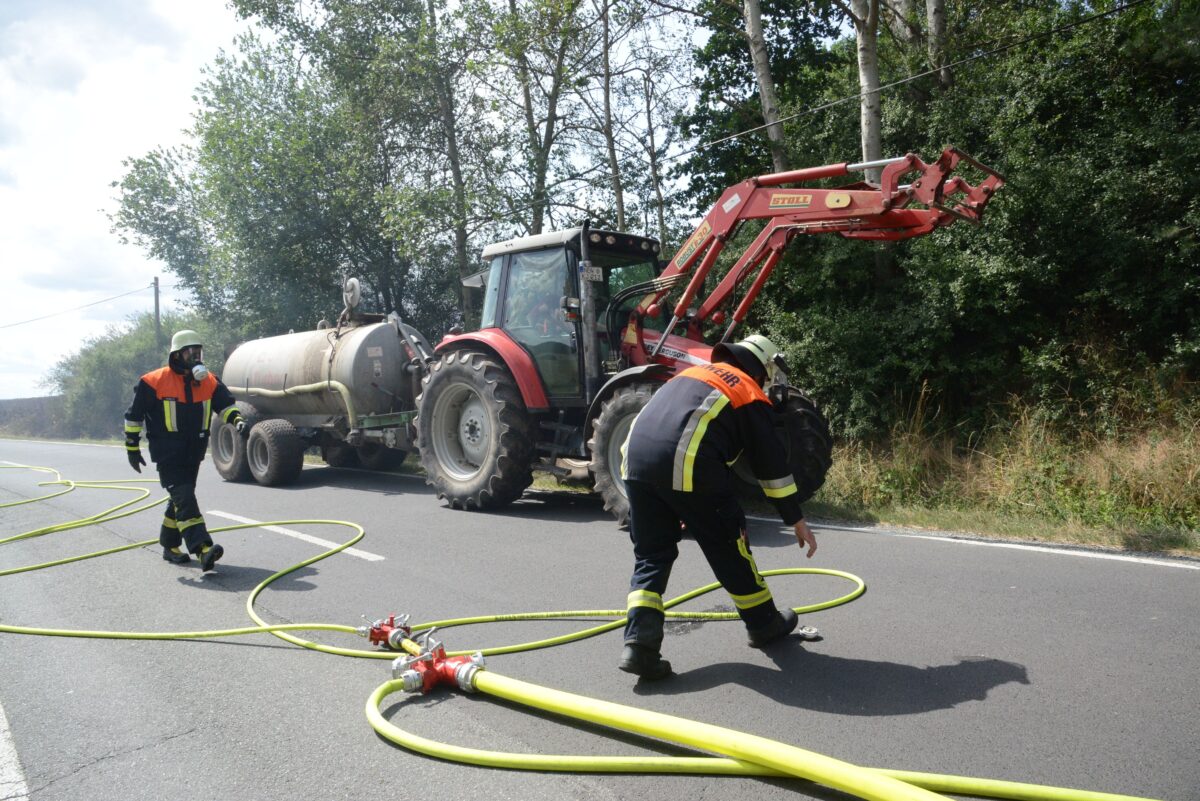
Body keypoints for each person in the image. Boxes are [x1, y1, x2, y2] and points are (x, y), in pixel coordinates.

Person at [618, 334, 818, 680]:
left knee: (652, 555)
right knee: (728, 544)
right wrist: (795, 517)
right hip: (686, 462)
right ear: (764, 368)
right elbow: (769, 463)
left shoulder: (691, 374)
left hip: (633, 463)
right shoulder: (746, 388)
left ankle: (639, 645)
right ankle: (763, 624)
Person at [124, 330, 246, 571]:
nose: (196, 358)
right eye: (190, 353)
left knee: (179, 500)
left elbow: (226, 406)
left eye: (198, 352)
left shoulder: (209, 380)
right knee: (185, 500)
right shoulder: (153, 382)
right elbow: (134, 417)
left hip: (194, 453)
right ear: (177, 355)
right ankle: (202, 549)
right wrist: (132, 448)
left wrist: (238, 420)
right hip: (168, 455)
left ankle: (169, 546)